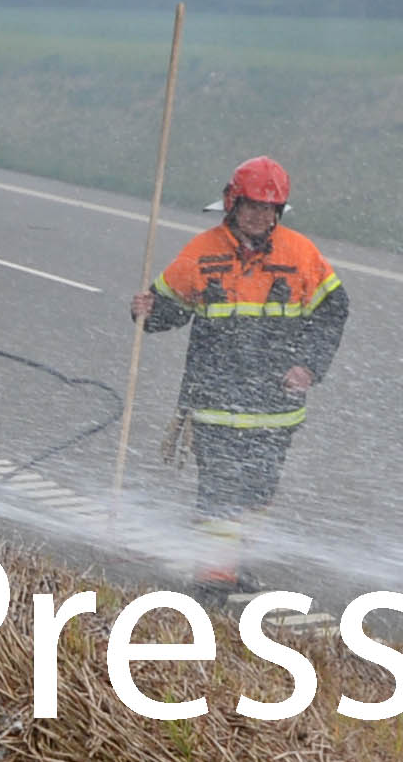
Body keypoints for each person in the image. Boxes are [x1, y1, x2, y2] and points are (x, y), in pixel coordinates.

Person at [128, 156, 349, 590]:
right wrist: (146, 312)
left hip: (275, 410)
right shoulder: (202, 253)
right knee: (220, 492)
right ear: (232, 203)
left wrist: (308, 366)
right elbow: (167, 308)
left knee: (257, 494)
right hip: (214, 405)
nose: (259, 216)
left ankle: (231, 566)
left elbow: (333, 312)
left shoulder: (301, 255)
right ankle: (212, 579)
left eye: (268, 209)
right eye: (251, 206)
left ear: (279, 212)